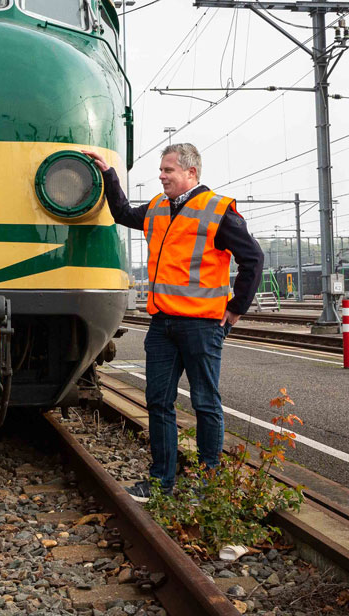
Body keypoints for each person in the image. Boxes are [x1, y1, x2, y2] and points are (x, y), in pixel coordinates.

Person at [83, 143, 263, 503]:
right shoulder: (157, 208)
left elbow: (253, 258)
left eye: (168, 170)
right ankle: (161, 481)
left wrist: (236, 307)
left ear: (191, 173)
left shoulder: (218, 210)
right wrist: (108, 175)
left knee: (204, 403)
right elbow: (121, 212)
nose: (161, 176)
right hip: (163, 324)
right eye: (161, 170)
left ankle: (207, 486)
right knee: (158, 402)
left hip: (202, 325)